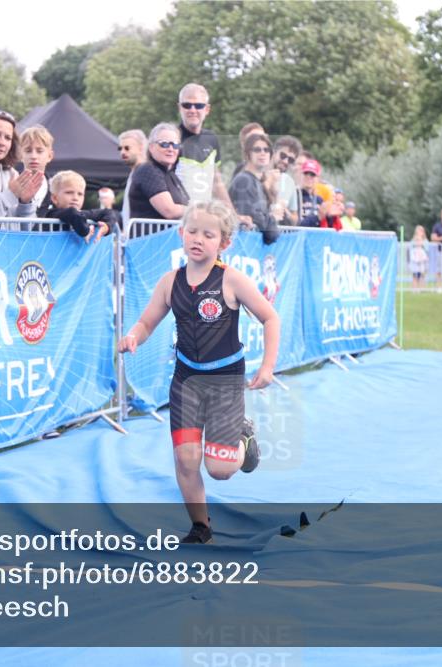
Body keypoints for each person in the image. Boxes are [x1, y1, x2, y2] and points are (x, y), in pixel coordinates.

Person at [118, 200, 279, 544]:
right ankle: (201, 527)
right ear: (181, 233)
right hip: (186, 380)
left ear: (224, 243)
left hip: (224, 381)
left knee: (220, 469)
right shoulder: (170, 282)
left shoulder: (231, 280)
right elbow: (147, 322)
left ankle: (243, 437)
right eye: (192, 231)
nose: (198, 239)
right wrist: (133, 336)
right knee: (186, 459)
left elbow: (270, 317)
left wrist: (267, 366)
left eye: (208, 234)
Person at [176, 83, 232, 207]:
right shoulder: (171, 139)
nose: (192, 110)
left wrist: (232, 213)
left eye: (199, 106)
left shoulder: (211, 139)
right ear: (179, 108)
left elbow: (217, 182)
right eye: (187, 105)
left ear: (207, 109)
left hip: (203, 213)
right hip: (178, 215)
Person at [127, 123, 189, 221]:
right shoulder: (148, 170)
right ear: (151, 147)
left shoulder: (171, 174)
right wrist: (196, 210)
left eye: (175, 145)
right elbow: (169, 211)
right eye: (164, 144)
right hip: (152, 231)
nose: (171, 149)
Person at [227, 133, 280, 244]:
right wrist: (272, 219)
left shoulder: (256, 182)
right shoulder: (244, 180)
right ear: (248, 154)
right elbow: (251, 220)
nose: (262, 153)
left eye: (266, 150)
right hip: (242, 247)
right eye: (257, 149)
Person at [36, 170, 111, 242]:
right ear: (55, 198)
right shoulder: (51, 214)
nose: (75, 198)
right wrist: (86, 231)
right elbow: (72, 213)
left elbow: (107, 212)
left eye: (80, 194)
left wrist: (107, 226)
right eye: (69, 192)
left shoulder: (80, 214)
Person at [19, 125, 55, 215]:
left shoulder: (56, 187)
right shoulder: (11, 183)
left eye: (39, 151)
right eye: (28, 151)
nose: (33, 156)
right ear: (20, 155)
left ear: (50, 156)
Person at [271, 136, 302, 224]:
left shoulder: (289, 182)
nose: (285, 161)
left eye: (291, 160)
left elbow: (295, 219)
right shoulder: (259, 174)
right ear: (274, 152)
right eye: (283, 156)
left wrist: (286, 213)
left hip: (277, 231)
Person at [118, 129, 147, 223]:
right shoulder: (134, 173)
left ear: (141, 148)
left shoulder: (147, 172)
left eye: (127, 148)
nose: (122, 152)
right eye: (120, 148)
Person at [298, 159, 325, 228]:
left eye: (312, 174)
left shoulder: (320, 200)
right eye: (306, 173)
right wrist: (317, 217)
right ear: (301, 175)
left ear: (318, 178)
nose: (308, 177)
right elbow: (295, 225)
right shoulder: (295, 196)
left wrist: (331, 217)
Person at [409, 225, 430, 290]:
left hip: (423, 263)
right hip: (415, 263)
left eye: (421, 231)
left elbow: (427, 251)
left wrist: (424, 258)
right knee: (415, 276)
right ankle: (415, 288)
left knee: (422, 276)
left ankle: (422, 288)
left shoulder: (425, 241)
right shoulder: (413, 241)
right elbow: (411, 251)